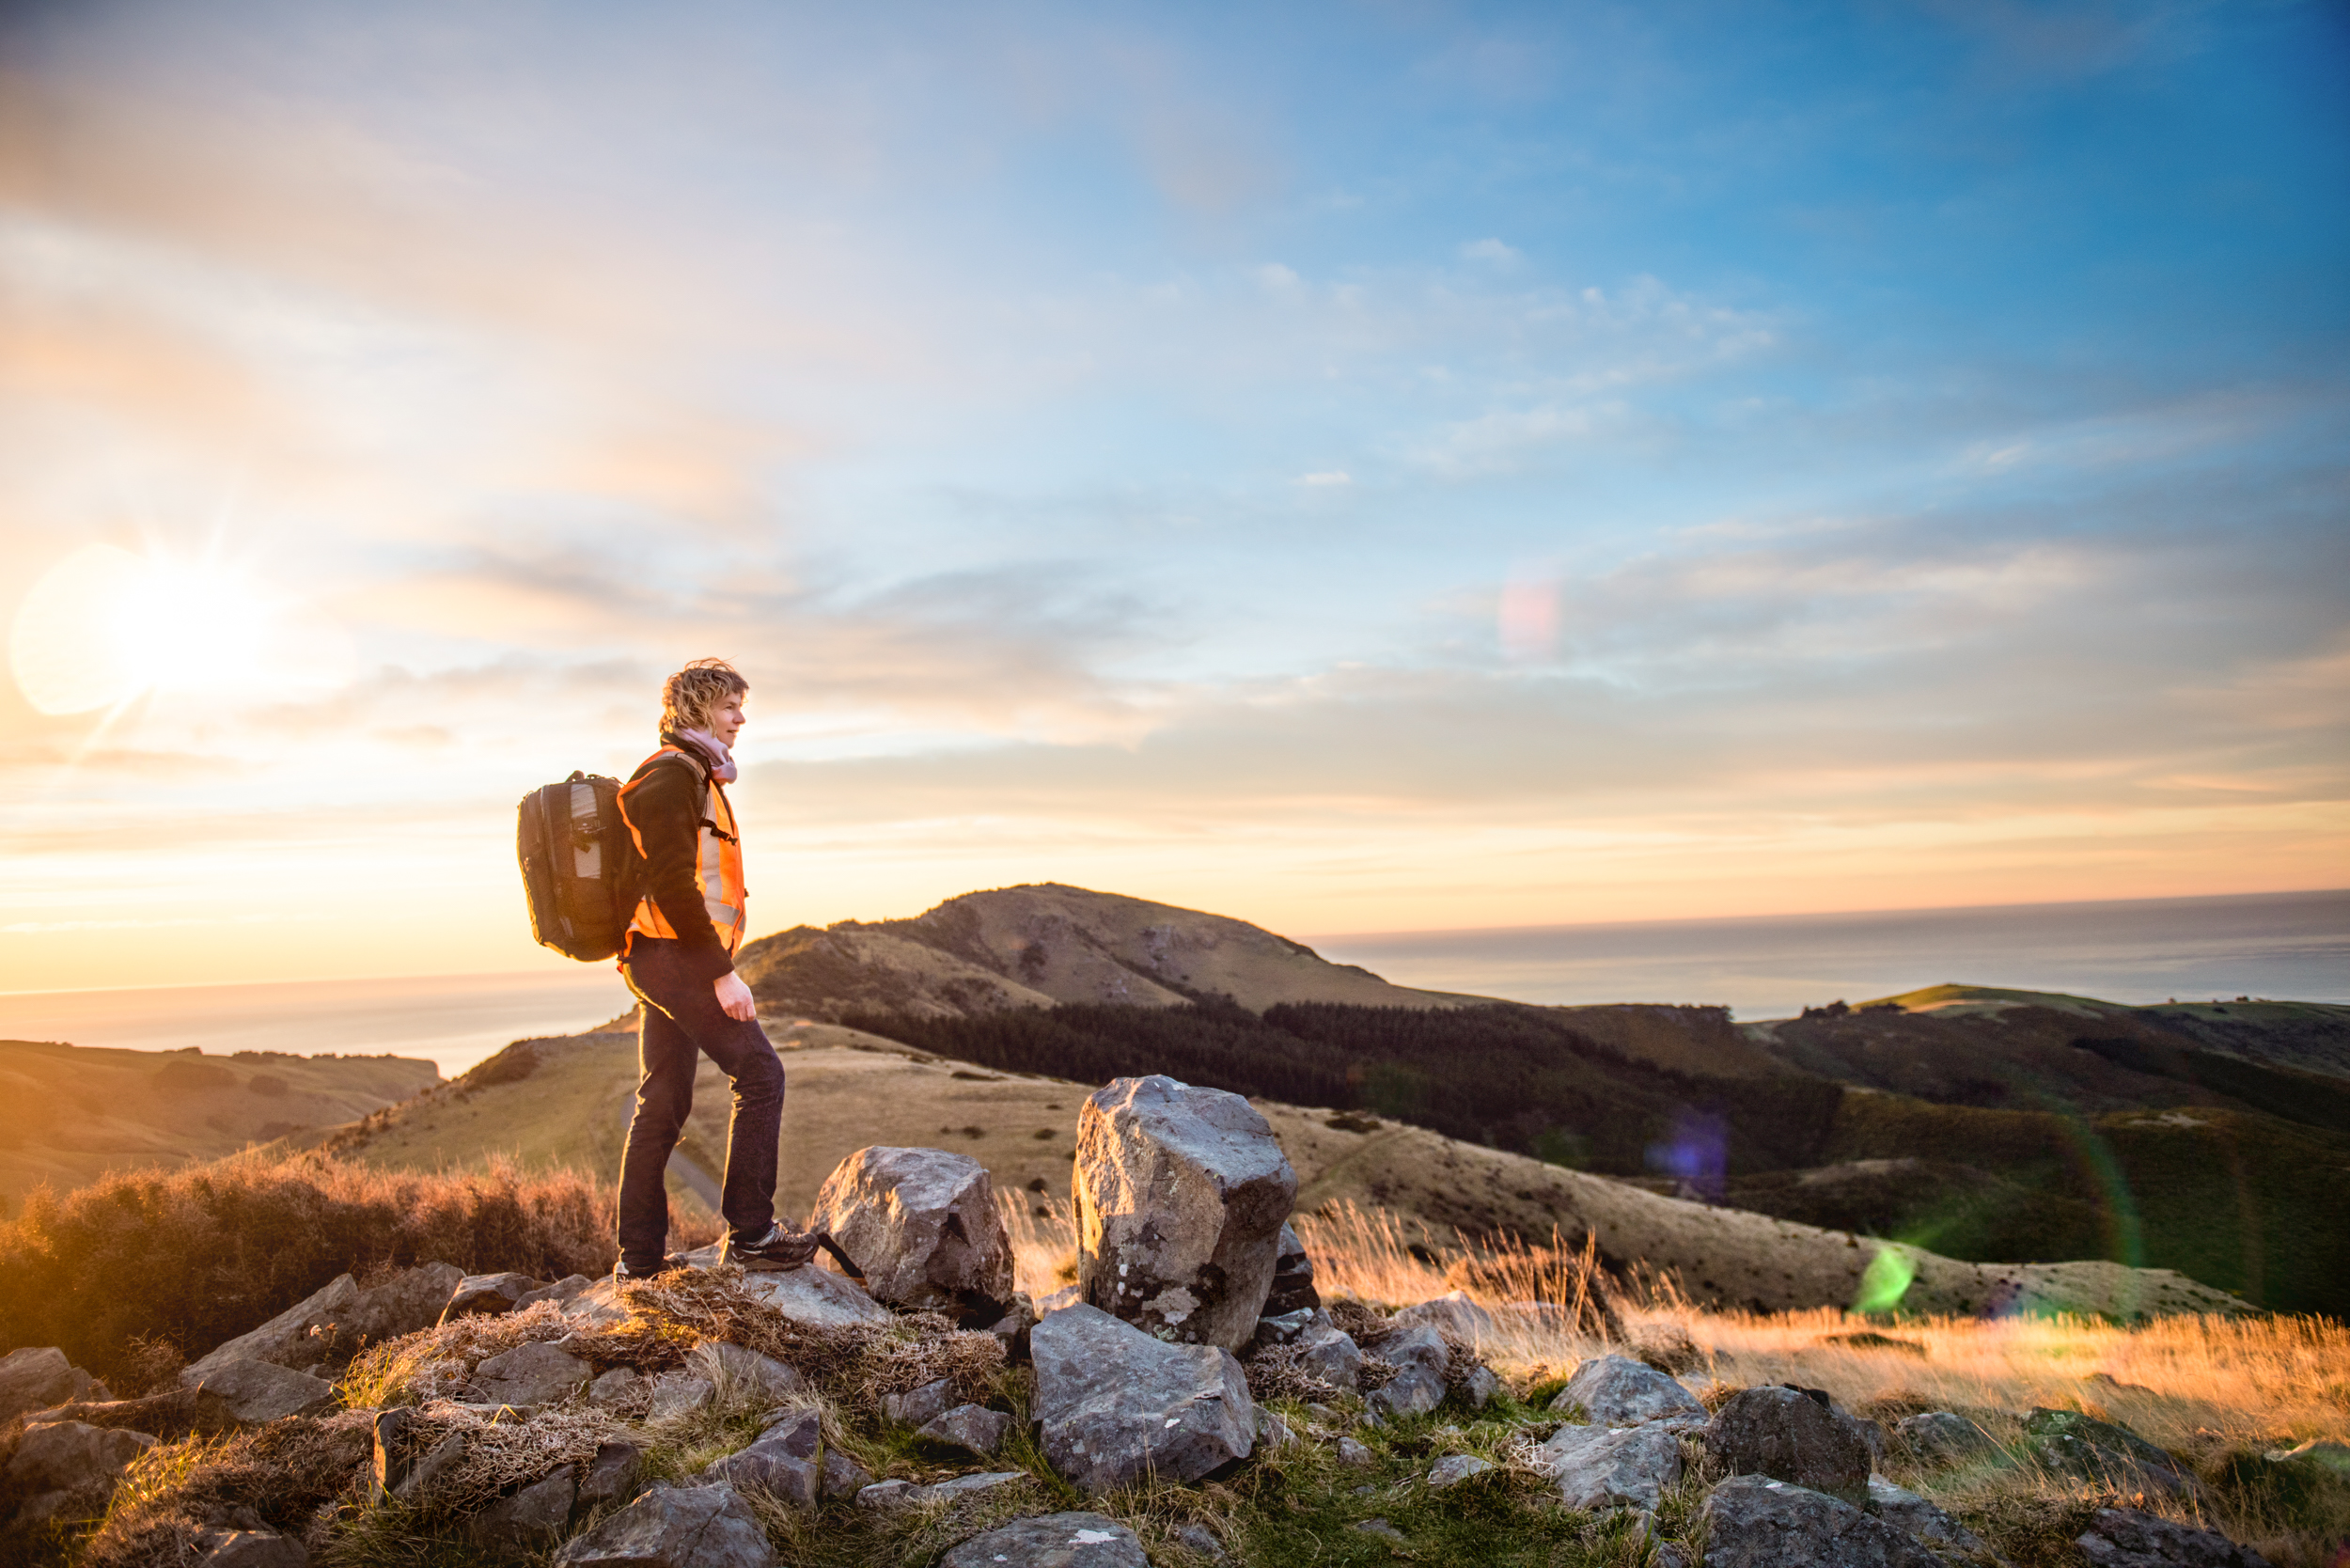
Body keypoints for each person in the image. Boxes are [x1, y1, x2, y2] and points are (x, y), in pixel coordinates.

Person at [611, 657, 814, 1278]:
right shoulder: (674, 777)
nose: (740, 719)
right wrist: (720, 971)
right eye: (730, 708)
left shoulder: (694, 774)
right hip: (674, 958)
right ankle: (752, 1233)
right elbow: (672, 886)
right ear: (700, 710)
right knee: (760, 1073)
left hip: (659, 956)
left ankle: (638, 1261)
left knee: (663, 1102)